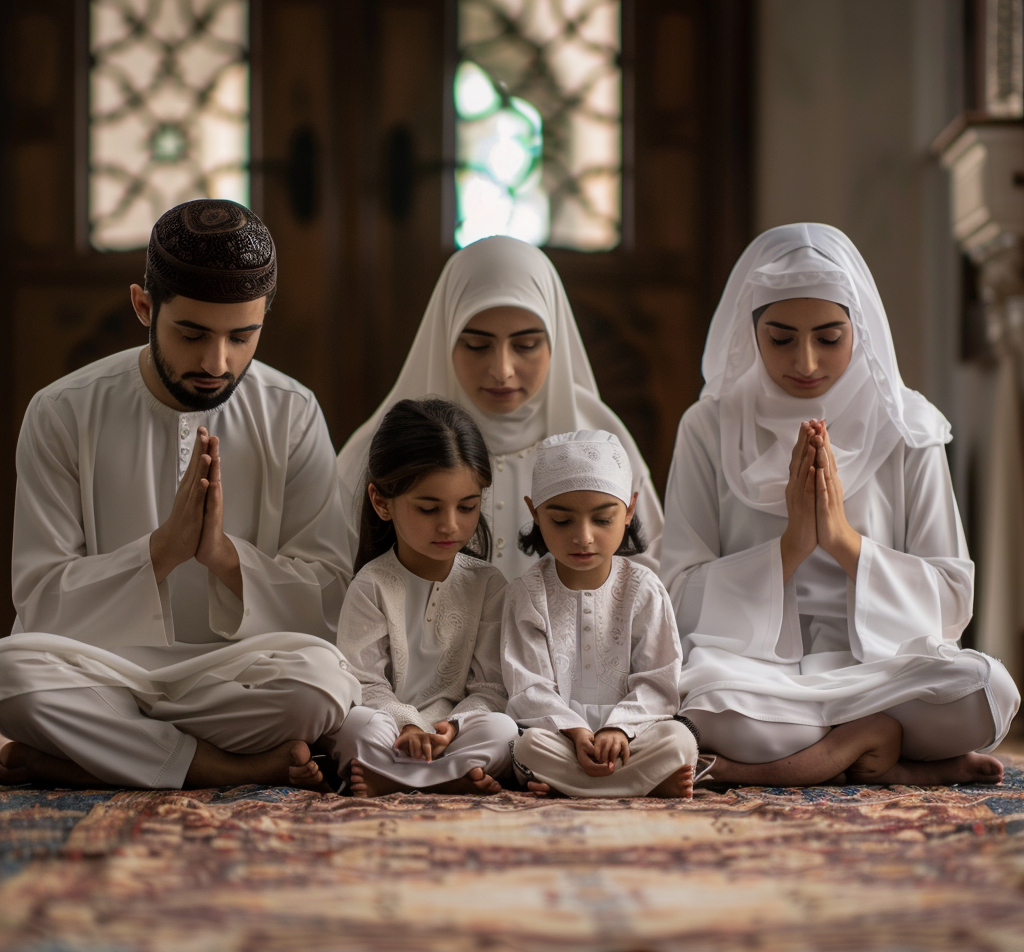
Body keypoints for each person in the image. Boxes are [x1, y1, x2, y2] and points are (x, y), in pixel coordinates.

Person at [0, 199, 359, 791]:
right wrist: (160, 553)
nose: (217, 362)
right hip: (103, 669)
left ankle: (95, 755)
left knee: (320, 685)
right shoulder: (63, 411)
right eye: (192, 334)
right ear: (144, 306)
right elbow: (38, 602)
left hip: (241, 671)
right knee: (11, 675)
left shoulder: (291, 412)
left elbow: (329, 600)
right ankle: (217, 766)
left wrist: (223, 558)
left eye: (243, 337)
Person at [660, 222, 1020, 787]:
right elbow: (675, 594)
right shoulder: (709, 426)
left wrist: (844, 542)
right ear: (750, 333)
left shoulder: (906, 426)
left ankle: (801, 761)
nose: (806, 361)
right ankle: (880, 754)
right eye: (781, 338)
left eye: (829, 337)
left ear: (861, 329)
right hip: (756, 676)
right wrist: (789, 549)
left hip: (881, 672)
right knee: (708, 706)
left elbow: (952, 597)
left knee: (987, 691)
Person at [335, 235, 663, 581]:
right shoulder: (382, 449)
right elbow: (338, 579)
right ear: (446, 339)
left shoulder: (603, 444)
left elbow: (646, 570)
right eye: (477, 345)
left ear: (555, 342)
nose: (502, 370)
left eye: (526, 345)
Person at [503, 431, 702, 798]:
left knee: (679, 739)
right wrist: (576, 732)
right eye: (562, 521)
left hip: (633, 735)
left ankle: (572, 786)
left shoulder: (644, 587)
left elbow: (659, 681)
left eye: (602, 520)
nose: (583, 537)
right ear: (536, 513)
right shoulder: (527, 593)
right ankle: (640, 783)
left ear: (628, 510)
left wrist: (619, 729)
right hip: (559, 737)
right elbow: (527, 685)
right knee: (528, 745)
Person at [335, 398, 519, 797]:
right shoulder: (372, 585)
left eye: (467, 506)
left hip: (455, 733)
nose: (451, 524)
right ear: (382, 502)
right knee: (357, 728)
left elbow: (491, 688)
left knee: (503, 729)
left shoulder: (488, 584)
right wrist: (408, 725)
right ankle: (450, 780)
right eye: (429, 507)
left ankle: (395, 779)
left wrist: (450, 728)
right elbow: (363, 682)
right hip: (392, 730)